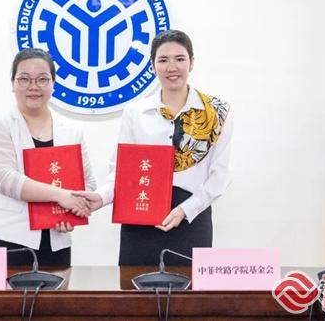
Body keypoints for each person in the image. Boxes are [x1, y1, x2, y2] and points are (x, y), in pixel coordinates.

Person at [77, 30, 233, 266]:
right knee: (134, 286)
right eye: (163, 60)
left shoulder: (216, 112)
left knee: (190, 289)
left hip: (191, 217)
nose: (172, 67)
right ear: (152, 66)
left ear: (192, 62)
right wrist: (100, 198)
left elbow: (220, 175)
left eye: (179, 59)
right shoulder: (135, 113)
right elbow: (121, 172)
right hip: (140, 214)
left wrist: (185, 210)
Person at [0, 48, 95, 267]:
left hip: (57, 242)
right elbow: (5, 179)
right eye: (24, 79)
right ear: (13, 84)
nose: (33, 86)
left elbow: (88, 183)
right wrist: (61, 196)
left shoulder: (72, 130)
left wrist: (71, 212)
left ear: (53, 83)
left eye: (42, 79)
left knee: (58, 292)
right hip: (7, 240)